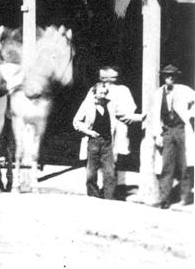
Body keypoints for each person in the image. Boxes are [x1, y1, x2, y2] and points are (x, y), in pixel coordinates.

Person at [72, 77, 142, 200]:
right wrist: (88, 131)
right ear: (94, 93)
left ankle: (108, 198)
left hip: (107, 143)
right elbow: (76, 121)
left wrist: (141, 117)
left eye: (105, 93)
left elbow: (123, 115)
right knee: (91, 173)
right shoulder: (87, 105)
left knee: (109, 172)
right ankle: (93, 197)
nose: (104, 95)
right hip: (93, 141)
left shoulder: (111, 104)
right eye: (101, 93)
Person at [149, 63, 194, 209]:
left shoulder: (184, 90)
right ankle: (164, 199)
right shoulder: (158, 94)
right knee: (166, 165)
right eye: (167, 76)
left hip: (182, 130)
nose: (170, 78)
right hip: (167, 131)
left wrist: (191, 115)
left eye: (173, 76)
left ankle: (185, 197)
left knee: (185, 164)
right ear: (163, 77)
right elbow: (155, 116)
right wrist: (158, 134)